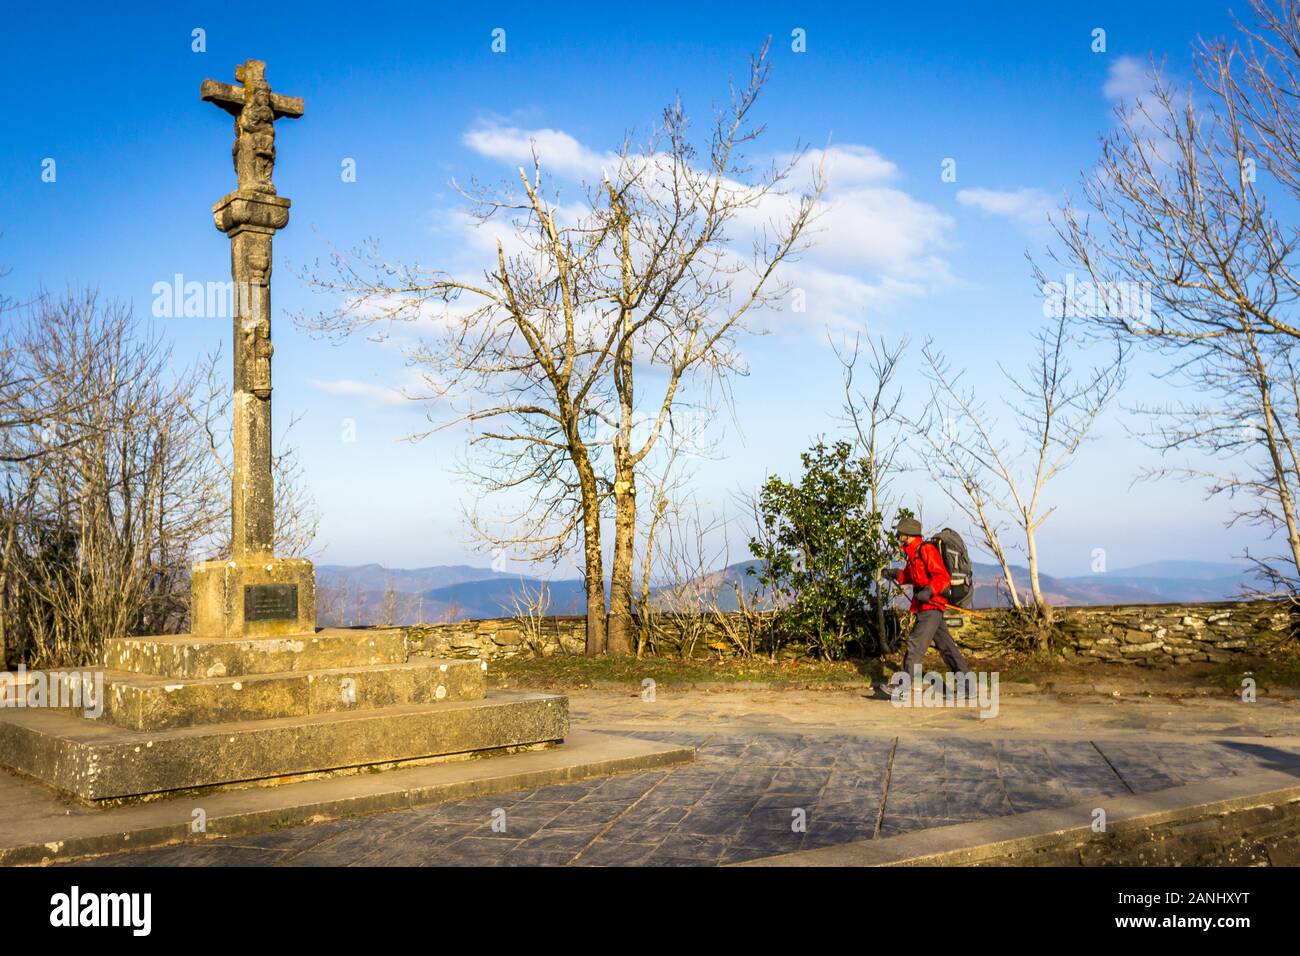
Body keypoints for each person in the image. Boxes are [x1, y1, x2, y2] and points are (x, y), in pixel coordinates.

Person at [885, 516, 969, 694]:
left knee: (915, 645)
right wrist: (895, 573)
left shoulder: (927, 550)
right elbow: (910, 576)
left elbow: (942, 577)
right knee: (947, 648)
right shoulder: (913, 553)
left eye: (899, 531)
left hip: (931, 605)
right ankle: (968, 687)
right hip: (926, 606)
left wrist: (929, 591)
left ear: (908, 534)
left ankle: (902, 687)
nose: (897, 534)